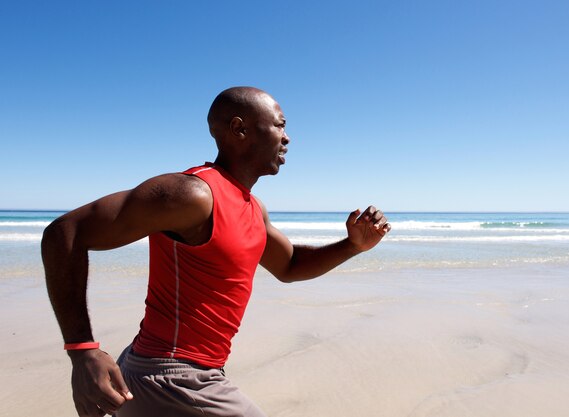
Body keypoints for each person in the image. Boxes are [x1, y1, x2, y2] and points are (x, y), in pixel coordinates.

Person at [42, 86, 391, 417]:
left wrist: (353, 245)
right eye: (280, 125)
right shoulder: (191, 195)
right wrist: (82, 350)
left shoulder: (253, 208)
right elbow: (65, 233)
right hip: (170, 376)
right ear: (239, 129)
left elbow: (290, 265)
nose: (287, 138)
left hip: (184, 373)